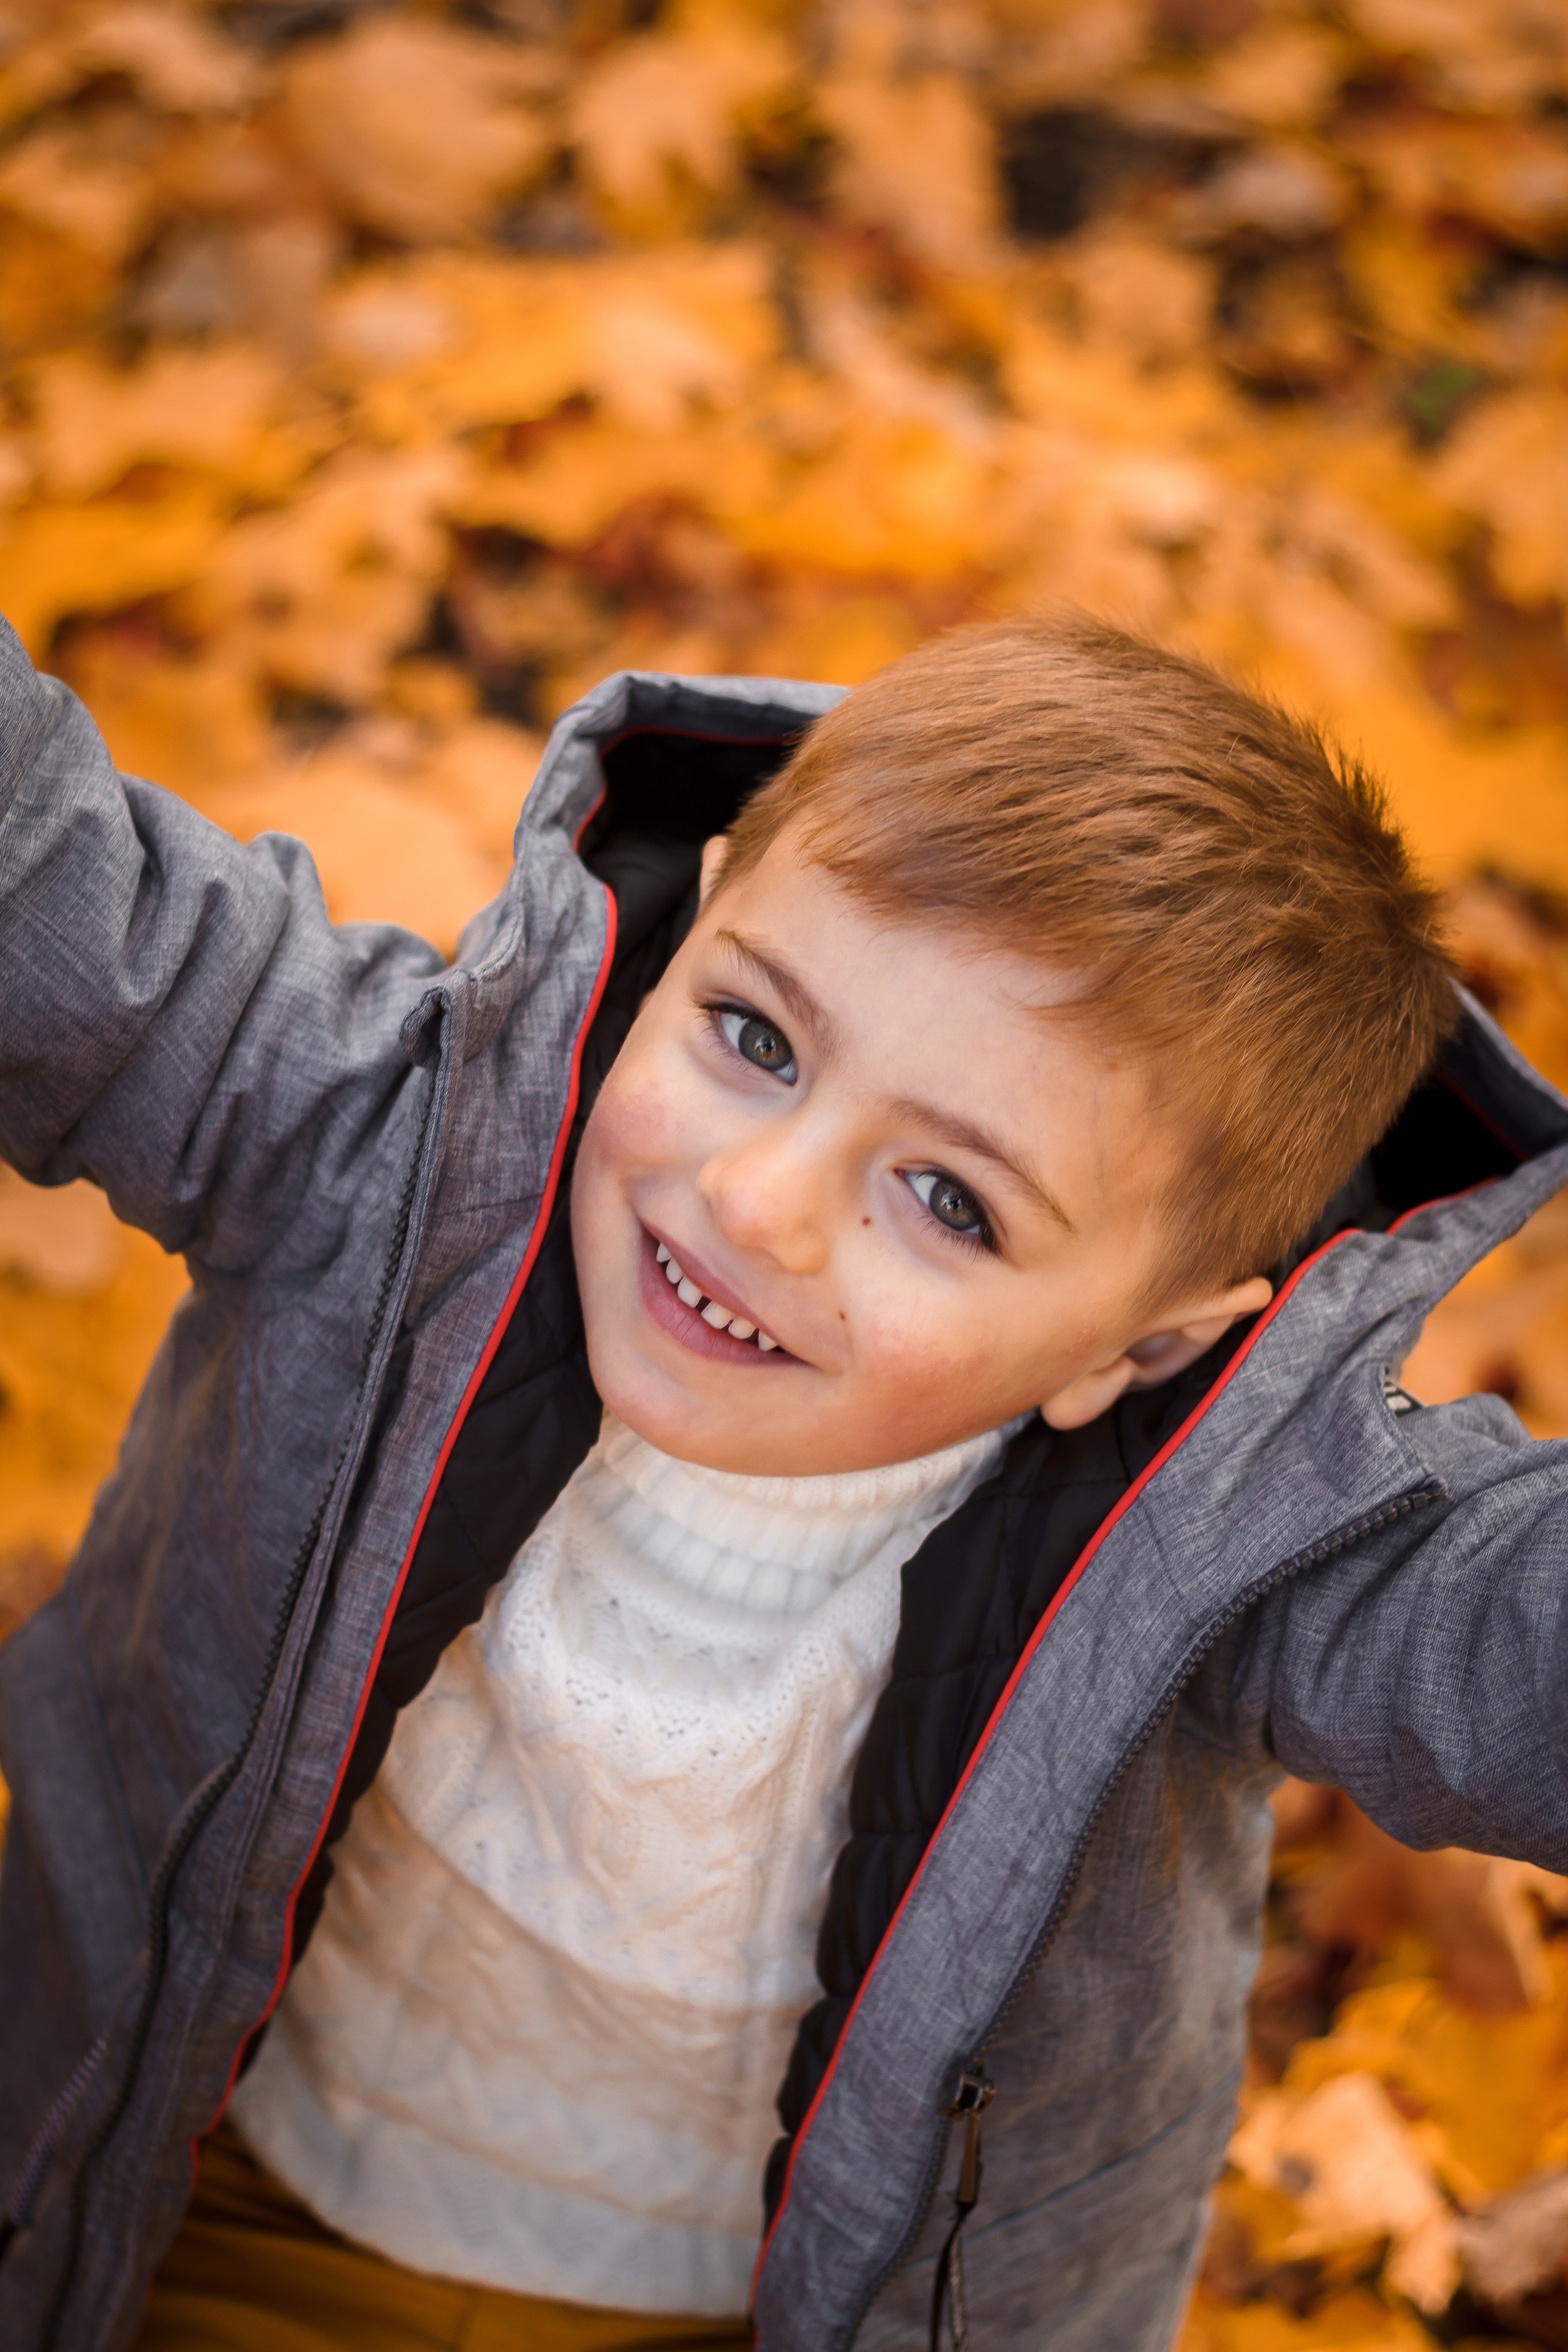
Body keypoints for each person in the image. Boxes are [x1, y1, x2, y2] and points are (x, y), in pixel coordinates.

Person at [0, 609, 1564, 2352]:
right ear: (716, 901)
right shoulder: (391, 1153)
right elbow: (55, 901)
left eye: (951, 1202)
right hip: (195, 2187)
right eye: (754, 1036)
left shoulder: (1226, 1546)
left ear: (1141, 1349)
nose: (757, 1203)